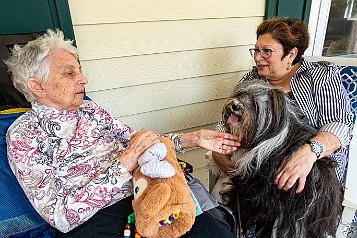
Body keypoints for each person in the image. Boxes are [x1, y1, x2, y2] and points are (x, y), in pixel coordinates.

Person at [5, 29, 240, 238]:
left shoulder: (90, 110)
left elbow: (140, 142)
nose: (83, 80)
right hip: (96, 217)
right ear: (38, 86)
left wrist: (192, 139)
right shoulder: (23, 136)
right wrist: (124, 163)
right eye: (69, 73)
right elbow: (61, 217)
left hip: (148, 192)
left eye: (79, 71)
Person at [212, 17, 354, 195]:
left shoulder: (320, 76)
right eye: (256, 50)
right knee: (218, 201)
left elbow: (339, 124)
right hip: (253, 167)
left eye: (266, 51)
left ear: (291, 54)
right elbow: (228, 122)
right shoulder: (251, 80)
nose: (257, 57)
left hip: (303, 171)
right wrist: (217, 151)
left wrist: (310, 152)